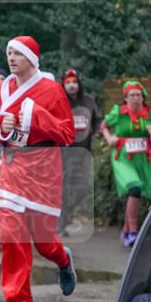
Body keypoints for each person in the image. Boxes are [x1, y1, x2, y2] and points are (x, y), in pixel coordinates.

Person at [0, 36, 77, 302]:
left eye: (17, 53)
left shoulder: (52, 90)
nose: (11, 58)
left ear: (31, 59)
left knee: (45, 242)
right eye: (9, 52)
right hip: (11, 167)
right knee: (12, 237)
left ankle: (63, 260)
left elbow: (67, 134)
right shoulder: (1, 89)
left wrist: (36, 117)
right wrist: (1, 124)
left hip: (43, 171)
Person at [100, 80, 151, 246]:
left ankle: (126, 232)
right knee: (134, 188)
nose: (135, 98)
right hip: (122, 157)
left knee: (136, 193)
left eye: (138, 95)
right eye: (132, 95)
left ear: (143, 98)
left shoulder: (149, 114)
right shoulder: (118, 112)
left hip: (142, 158)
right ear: (125, 98)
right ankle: (133, 231)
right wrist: (109, 138)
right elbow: (103, 125)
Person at [58, 67, 103, 234]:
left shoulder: (89, 101)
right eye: (67, 82)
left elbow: (98, 119)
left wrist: (98, 130)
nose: (71, 86)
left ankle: (66, 216)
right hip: (65, 153)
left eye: (74, 82)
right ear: (63, 84)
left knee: (83, 189)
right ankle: (61, 224)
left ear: (79, 83)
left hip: (85, 152)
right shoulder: (59, 101)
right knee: (66, 187)